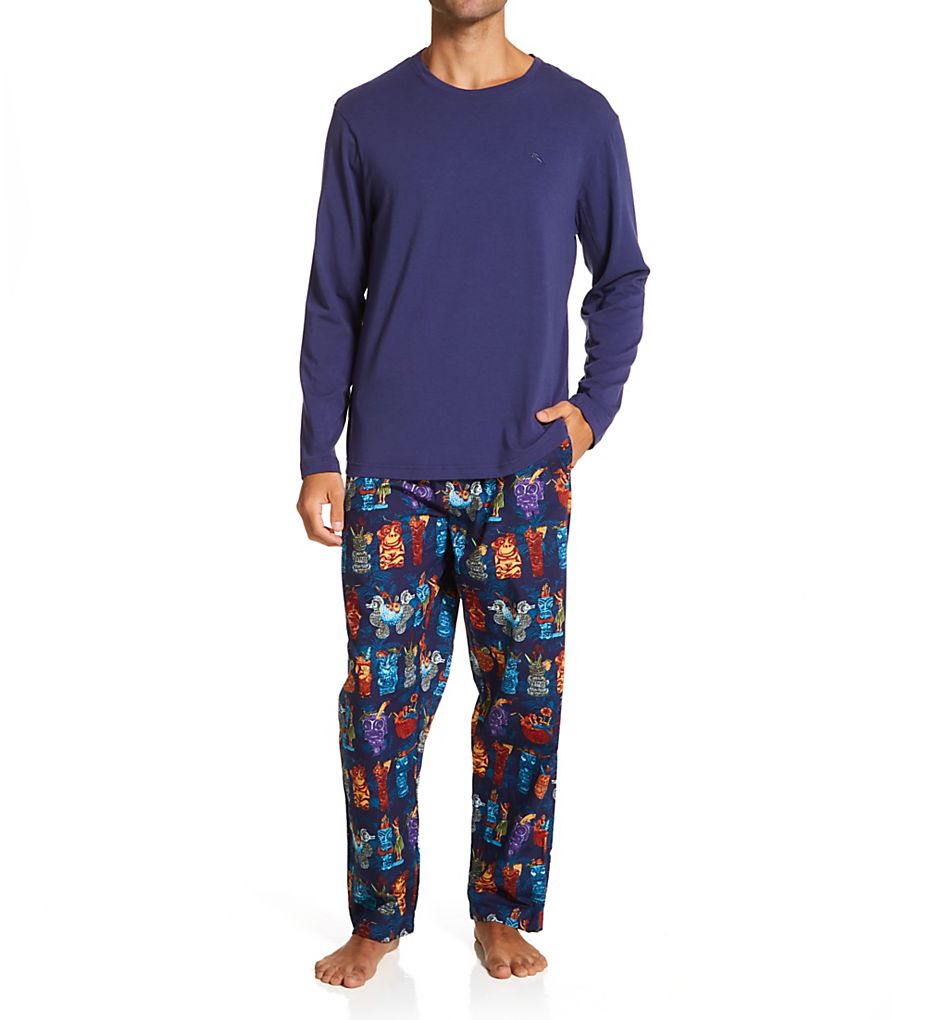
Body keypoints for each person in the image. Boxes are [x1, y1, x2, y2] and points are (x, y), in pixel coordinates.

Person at [297, 0, 650, 989]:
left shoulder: (579, 118)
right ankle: (377, 919)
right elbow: (332, 292)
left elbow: (621, 275)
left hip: (524, 474)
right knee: (379, 709)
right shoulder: (365, 117)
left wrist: (592, 410)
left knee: (521, 706)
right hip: (389, 474)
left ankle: (500, 910)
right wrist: (317, 449)